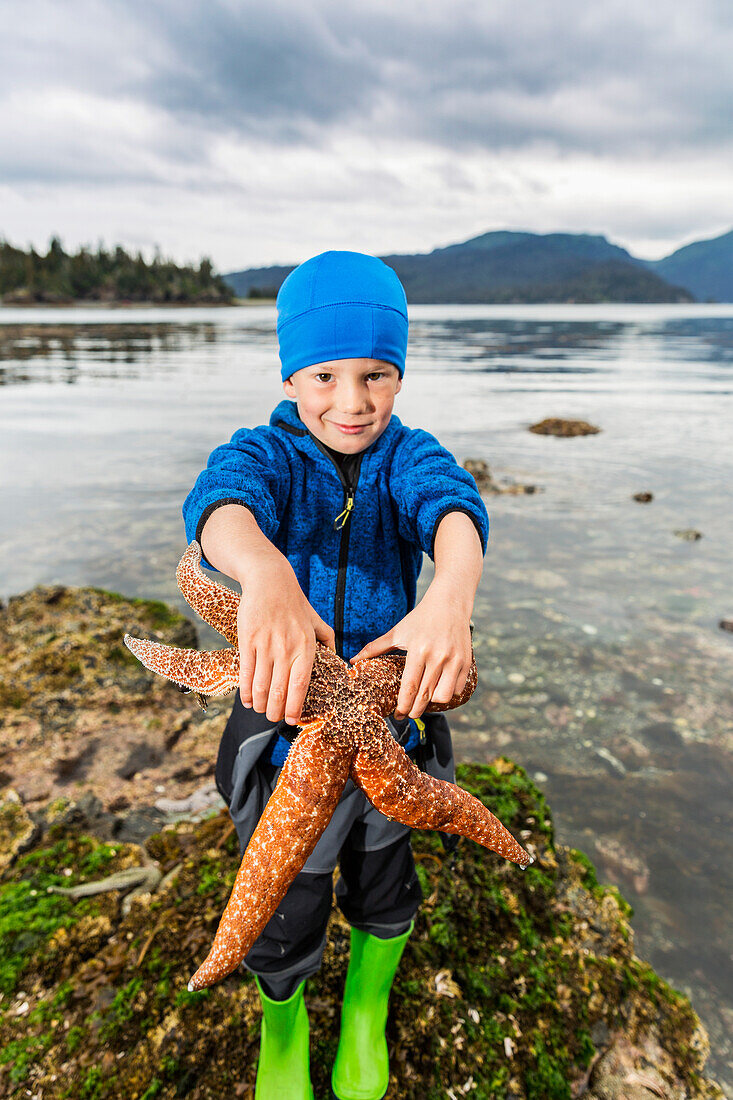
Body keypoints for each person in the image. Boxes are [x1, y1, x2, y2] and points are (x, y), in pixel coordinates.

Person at [182, 250, 489, 1100]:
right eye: (324, 375)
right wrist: (266, 575)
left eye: (376, 375)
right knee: (286, 897)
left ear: (399, 376)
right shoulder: (269, 457)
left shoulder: (407, 457)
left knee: (387, 882)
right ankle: (285, 1025)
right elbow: (218, 505)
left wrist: (450, 597)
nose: (350, 402)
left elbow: (455, 509)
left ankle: (364, 1006)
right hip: (289, 738)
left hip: (394, 731)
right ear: (290, 373)